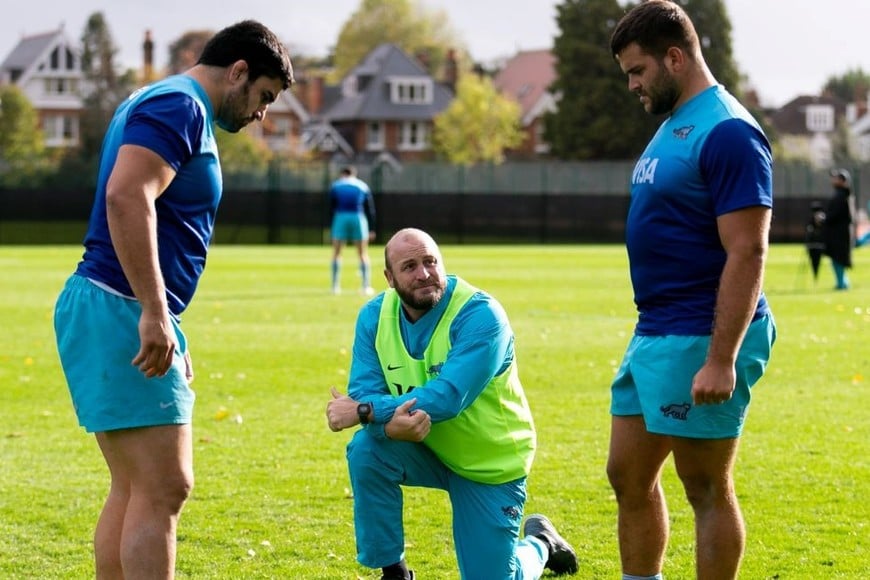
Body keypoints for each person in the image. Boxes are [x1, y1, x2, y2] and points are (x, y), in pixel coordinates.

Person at [53, 20, 293, 579]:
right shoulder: (180, 107)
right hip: (119, 303)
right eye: (263, 96)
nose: (262, 114)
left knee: (136, 484)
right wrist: (155, 314)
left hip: (109, 304)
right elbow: (126, 195)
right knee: (164, 486)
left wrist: (168, 323)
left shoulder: (162, 100)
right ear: (237, 71)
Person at [608, 2, 777, 579]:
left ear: (674, 57)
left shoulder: (728, 131)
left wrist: (721, 359)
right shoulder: (673, 123)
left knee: (704, 484)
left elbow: (748, 249)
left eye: (638, 71)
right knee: (627, 474)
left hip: (701, 335)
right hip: (655, 330)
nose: (632, 84)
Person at [325, 228, 577, 579]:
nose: (424, 273)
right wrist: (384, 423)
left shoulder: (481, 314)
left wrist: (367, 413)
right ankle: (394, 573)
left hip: (488, 460)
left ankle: (541, 544)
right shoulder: (374, 316)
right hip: (425, 445)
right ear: (389, 278)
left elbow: (447, 398)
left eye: (430, 261)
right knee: (366, 449)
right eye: (409, 266)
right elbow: (363, 388)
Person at [329, 165, 376, 295]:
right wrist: (371, 228)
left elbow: (330, 207)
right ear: (354, 174)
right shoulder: (362, 186)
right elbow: (370, 209)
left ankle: (335, 286)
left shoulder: (336, 186)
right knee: (362, 253)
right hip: (358, 218)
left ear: (342, 174)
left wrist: (330, 226)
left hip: (340, 217)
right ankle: (366, 286)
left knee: (337, 253)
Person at [821, 168, 856, 289]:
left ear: (842, 180)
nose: (833, 180)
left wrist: (824, 219)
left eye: (836, 178)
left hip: (839, 234)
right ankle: (842, 282)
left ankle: (842, 283)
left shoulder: (842, 195)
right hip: (837, 233)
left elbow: (836, 214)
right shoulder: (842, 194)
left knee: (839, 259)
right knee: (836, 258)